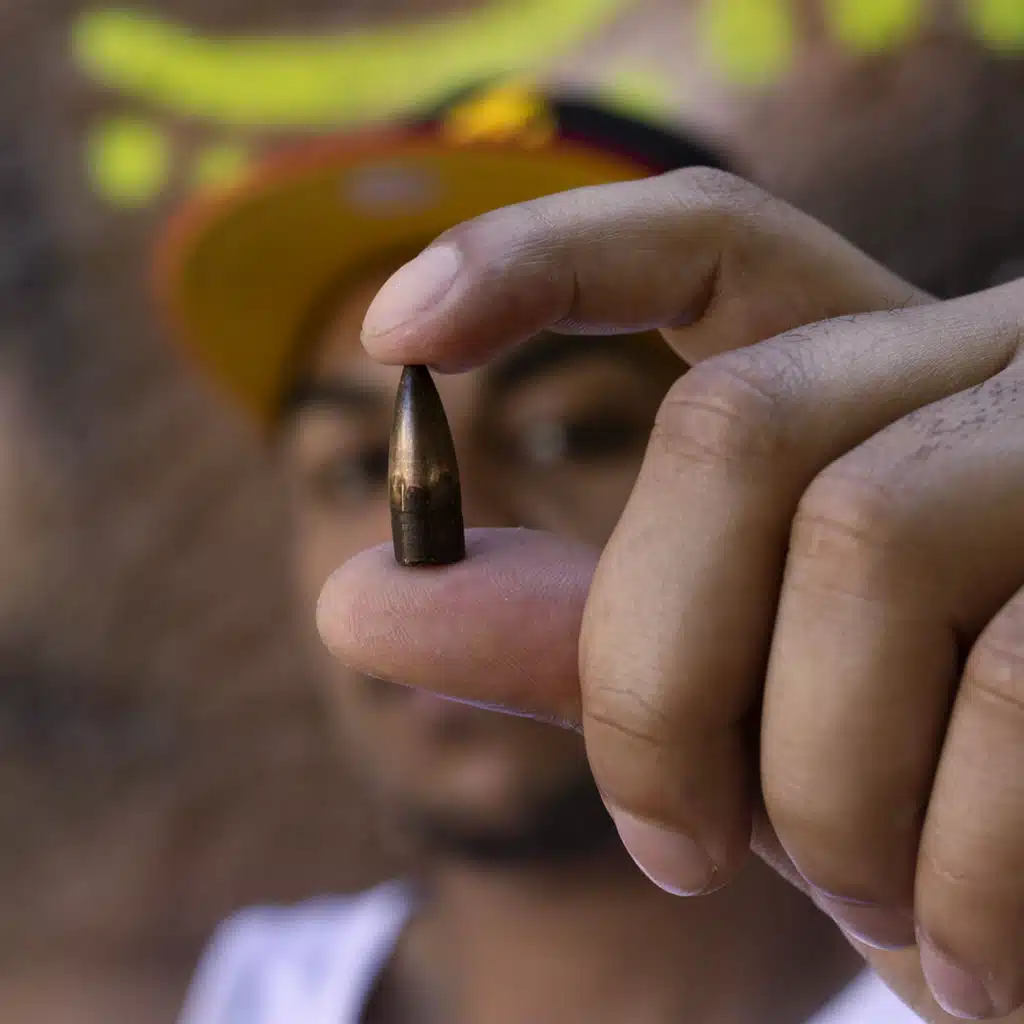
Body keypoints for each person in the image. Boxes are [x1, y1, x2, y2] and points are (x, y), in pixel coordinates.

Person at [158, 84, 926, 1023]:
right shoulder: (251, 997)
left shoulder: (978, 980)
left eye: (565, 434)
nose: (447, 552)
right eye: (358, 467)